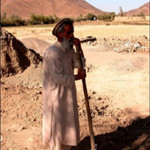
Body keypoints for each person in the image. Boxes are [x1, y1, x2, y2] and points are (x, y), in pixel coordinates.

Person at [43, 18, 86, 150]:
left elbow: (80, 63)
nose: (72, 35)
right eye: (69, 33)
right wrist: (78, 77)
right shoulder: (52, 53)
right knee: (58, 126)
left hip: (68, 94)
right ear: (61, 35)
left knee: (68, 124)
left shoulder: (69, 50)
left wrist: (79, 47)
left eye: (72, 32)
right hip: (56, 96)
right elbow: (58, 78)